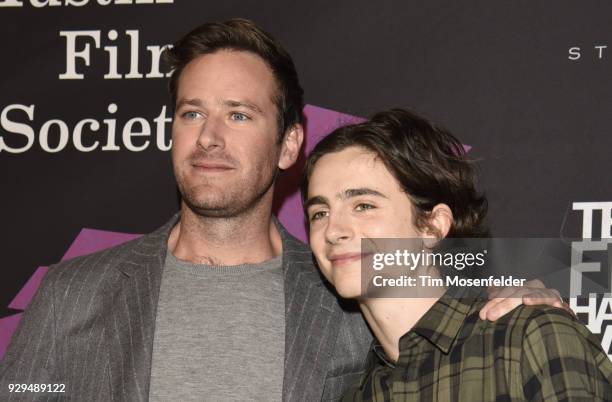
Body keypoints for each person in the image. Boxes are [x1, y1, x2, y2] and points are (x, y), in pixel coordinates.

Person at [0, 20, 567, 402]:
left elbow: (445, 331)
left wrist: (525, 294)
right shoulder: (75, 292)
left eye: (239, 115)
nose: (210, 138)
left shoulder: (346, 291)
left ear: (290, 144)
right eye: (192, 114)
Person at [302, 108, 612, 401]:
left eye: (363, 206)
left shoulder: (527, 338)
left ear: (432, 226)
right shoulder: (356, 394)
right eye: (319, 213)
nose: (333, 230)